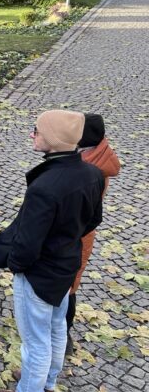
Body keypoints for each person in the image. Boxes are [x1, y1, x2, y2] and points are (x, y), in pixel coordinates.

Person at [0, 110, 103, 392]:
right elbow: (93, 219)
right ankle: (45, 383)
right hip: (66, 265)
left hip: (39, 273)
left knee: (35, 339)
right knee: (55, 328)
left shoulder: (45, 186)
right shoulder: (92, 174)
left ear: (53, 138)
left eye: (37, 130)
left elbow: (27, 244)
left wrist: (16, 265)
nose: (32, 134)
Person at [66, 114, 120, 353]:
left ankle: (63, 335)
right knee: (70, 284)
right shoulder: (96, 155)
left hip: (76, 236)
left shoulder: (88, 169)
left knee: (68, 287)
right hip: (81, 234)